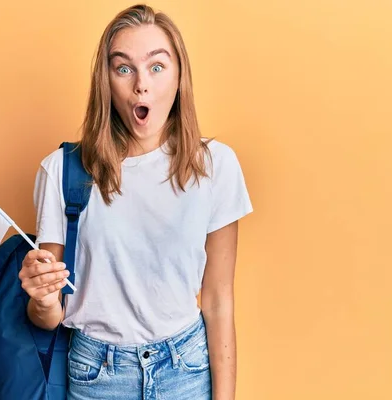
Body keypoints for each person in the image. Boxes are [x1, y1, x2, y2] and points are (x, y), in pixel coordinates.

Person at [18, 4, 252, 399]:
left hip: (187, 369)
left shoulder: (216, 166)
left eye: (157, 67)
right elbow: (48, 316)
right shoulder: (61, 170)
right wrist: (40, 298)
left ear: (179, 77)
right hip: (96, 376)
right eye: (123, 68)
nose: (141, 84)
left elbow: (217, 300)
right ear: (106, 81)